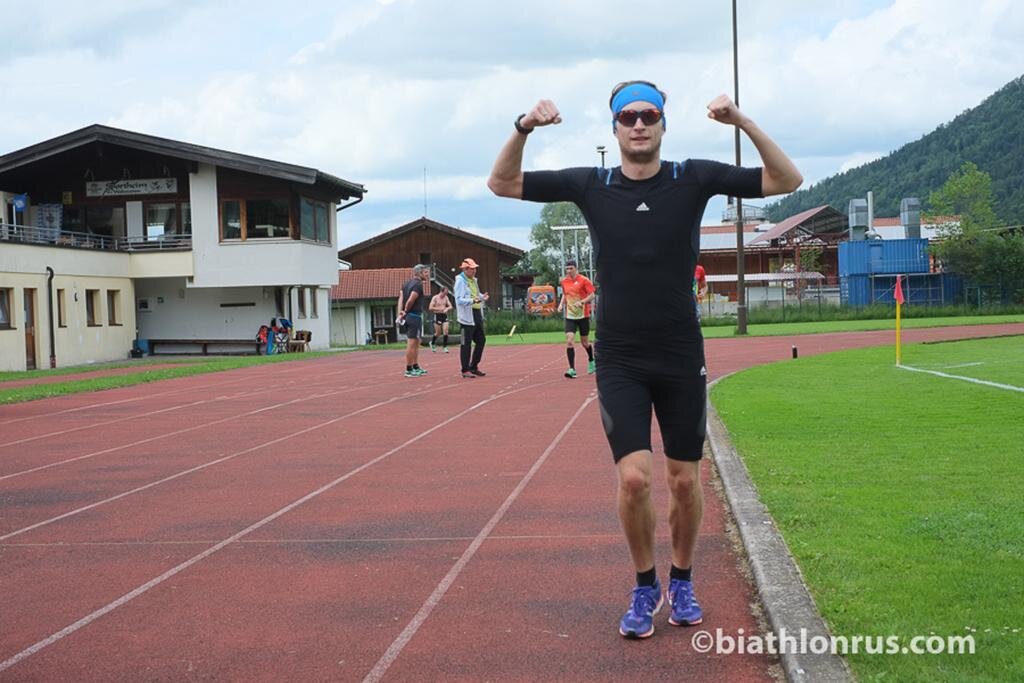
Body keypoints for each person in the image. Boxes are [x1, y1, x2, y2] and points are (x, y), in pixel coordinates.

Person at [487, 81, 802, 638]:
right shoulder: (592, 182)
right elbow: (502, 182)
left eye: (648, 115)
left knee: (683, 481)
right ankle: (644, 584)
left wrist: (743, 122)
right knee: (634, 480)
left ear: (662, 124)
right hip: (621, 356)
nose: (638, 124)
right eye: (627, 116)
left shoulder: (693, 176)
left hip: (680, 352)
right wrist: (524, 127)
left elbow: (785, 180)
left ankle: (683, 579)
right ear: (614, 126)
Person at [556, 260, 596, 378]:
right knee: (569, 340)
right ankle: (572, 369)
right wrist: (560, 304)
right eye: (567, 269)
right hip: (570, 316)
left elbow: (592, 295)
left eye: (571, 268)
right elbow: (565, 294)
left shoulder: (584, 280)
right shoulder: (564, 281)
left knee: (585, 343)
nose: (569, 271)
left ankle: (591, 360)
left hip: (583, 316)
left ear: (576, 268)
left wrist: (582, 302)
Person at [453, 257, 489, 378]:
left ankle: (474, 366)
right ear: (465, 269)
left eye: (475, 268)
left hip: (477, 313)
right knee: (465, 343)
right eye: (472, 269)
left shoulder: (473, 281)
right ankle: (465, 369)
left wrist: (481, 296)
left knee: (481, 340)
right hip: (466, 317)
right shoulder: (460, 281)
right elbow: (459, 300)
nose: (474, 271)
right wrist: (473, 300)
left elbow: (474, 294)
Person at [396, 264, 430, 377]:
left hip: (410, 316)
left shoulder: (406, 283)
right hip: (413, 316)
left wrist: (400, 312)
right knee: (411, 343)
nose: (428, 274)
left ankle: (415, 366)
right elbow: (411, 299)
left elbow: (400, 298)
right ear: (419, 273)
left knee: (416, 342)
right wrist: (405, 311)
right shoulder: (418, 284)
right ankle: (408, 369)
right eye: (425, 272)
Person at [428, 286, 453, 353]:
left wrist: (447, 308)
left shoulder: (446, 297)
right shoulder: (435, 298)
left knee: (446, 331)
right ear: (441, 291)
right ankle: (432, 343)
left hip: (444, 316)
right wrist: (439, 309)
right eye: (445, 293)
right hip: (437, 315)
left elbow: (450, 306)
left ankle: (445, 347)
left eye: (446, 293)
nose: (446, 294)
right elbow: (430, 307)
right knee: (438, 333)